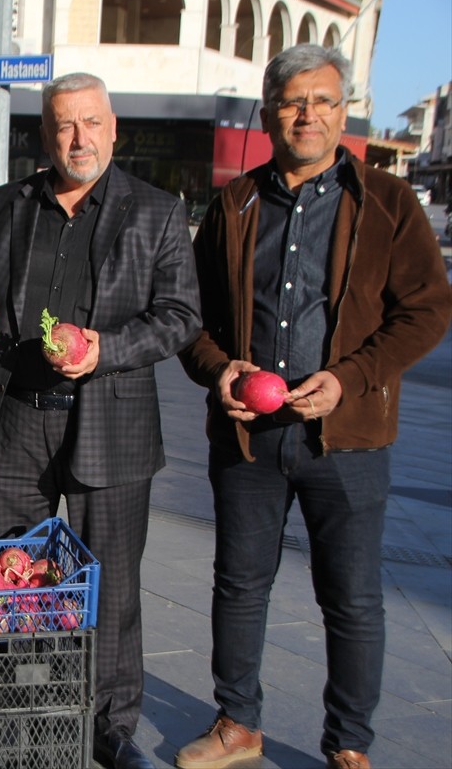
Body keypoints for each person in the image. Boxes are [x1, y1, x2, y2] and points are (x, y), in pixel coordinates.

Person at [175, 45, 452, 769]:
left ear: (344, 111)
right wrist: (217, 371)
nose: (309, 114)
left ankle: (349, 744)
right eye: (294, 100)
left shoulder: (388, 202)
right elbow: (190, 316)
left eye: (324, 100)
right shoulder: (234, 203)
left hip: (348, 439)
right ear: (268, 112)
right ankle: (238, 724)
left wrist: (352, 378)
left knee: (353, 600)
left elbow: (426, 310)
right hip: (250, 437)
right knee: (239, 584)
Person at [0, 72, 201, 769]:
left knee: (111, 586)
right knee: (5, 573)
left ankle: (111, 727)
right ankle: (11, 705)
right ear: (45, 134)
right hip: (14, 421)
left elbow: (181, 317)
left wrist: (105, 350)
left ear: (113, 128)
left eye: (91, 122)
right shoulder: (7, 204)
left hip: (108, 423)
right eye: (64, 124)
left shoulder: (155, 210)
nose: (78, 138)